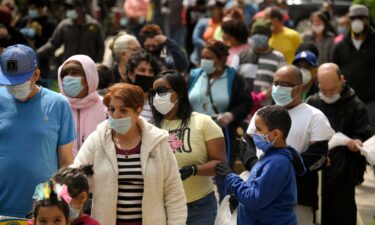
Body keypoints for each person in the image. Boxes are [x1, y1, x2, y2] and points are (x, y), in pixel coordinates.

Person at [72, 83, 187, 225]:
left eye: (123, 110)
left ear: (138, 112)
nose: (116, 115)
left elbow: (174, 193)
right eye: (111, 109)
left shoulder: (157, 142)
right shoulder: (97, 141)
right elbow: (73, 178)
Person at [247, 65, 334, 225]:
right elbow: (247, 145)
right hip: (259, 195)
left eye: (285, 84)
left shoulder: (315, 116)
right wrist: (258, 169)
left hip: (298, 198)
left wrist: (277, 172)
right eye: (276, 83)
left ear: (299, 88)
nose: (278, 88)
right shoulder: (262, 114)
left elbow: (318, 154)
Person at [0, 44, 76, 217]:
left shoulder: (59, 104)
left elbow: (65, 160)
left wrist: (64, 202)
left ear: (36, 75)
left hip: (45, 207)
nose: (14, 87)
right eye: (9, 82)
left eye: (19, 82)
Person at [150, 70, 227, 225]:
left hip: (200, 208)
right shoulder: (150, 128)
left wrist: (194, 170)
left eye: (162, 90)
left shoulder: (204, 122)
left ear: (179, 93)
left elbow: (221, 165)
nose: (157, 96)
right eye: (154, 92)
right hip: (163, 207)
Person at [215, 105, 306, 225]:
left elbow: (255, 200)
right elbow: (260, 192)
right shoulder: (270, 157)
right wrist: (238, 198)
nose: (254, 134)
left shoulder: (277, 163)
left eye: (258, 129)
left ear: (275, 134)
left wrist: (230, 177)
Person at [306, 63, 372, 225]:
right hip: (317, 174)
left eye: (333, 90)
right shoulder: (312, 103)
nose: (328, 94)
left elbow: (363, 132)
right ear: (317, 83)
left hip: (345, 174)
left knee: (343, 215)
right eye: (324, 90)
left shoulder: (355, 105)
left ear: (341, 80)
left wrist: (357, 141)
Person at [188, 39, 252, 167]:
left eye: (209, 58)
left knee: (219, 171)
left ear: (221, 59)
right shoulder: (194, 76)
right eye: (203, 57)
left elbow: (246, 103)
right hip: (193, 134)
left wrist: (231, 115)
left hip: (222, 136)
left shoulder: (234, 78)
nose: (204, 61)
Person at [332, 4, 375, 134]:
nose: (357, 21)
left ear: (367, 20)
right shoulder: (340, 45)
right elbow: (335, 70)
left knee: (370, 136)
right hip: (347, 100)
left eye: (361, 18)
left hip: (371, 100)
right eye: (354, 18)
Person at [57, 54, 107, 156]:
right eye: (65, 74)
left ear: (89, 77)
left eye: (75, 73)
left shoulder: (106, 106)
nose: (69, 78)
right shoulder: (55, 105)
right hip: (63, 169)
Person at [237, 19, 286, 113]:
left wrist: (264, 95)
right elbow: (236, 80)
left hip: (267, 109)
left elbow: (283, 81)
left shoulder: (279, 57)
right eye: (255, 34)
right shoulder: (242, 55)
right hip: (243, 108)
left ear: (268, 37)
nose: (258, 37)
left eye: (262, 34)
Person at [37, 0, 105, 63]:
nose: (69, 10)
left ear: (81, 8)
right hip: (69, 67)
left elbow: (100, 47)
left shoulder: (94, 26)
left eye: (71, 7)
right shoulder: (64, 25)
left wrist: (96, 64)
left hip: (87, 68)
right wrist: (36, 53)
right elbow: (53, 44)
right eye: (68, 8)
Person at [126, 50, 161, 122]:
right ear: (130, 74)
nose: (147, 74)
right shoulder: (122, 99)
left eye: (151, 71)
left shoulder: (158, 102)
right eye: (142, 70)